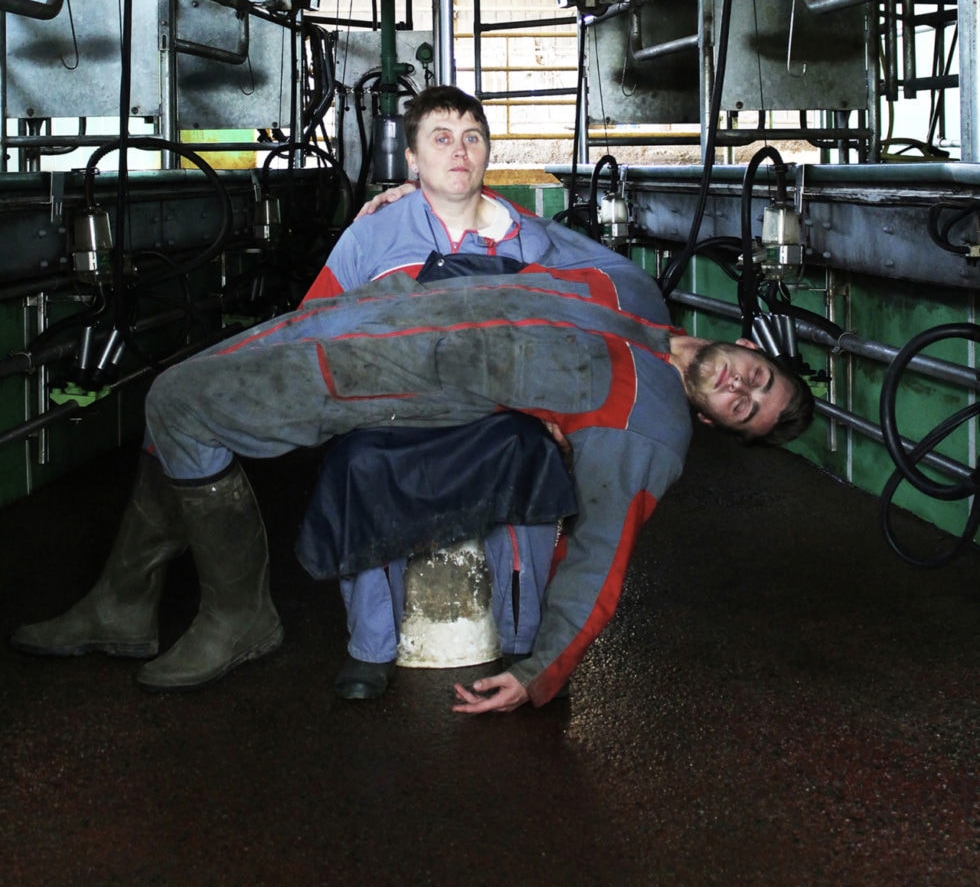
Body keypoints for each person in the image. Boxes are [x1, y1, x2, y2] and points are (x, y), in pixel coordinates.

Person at [10, 104, 814, 710]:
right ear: (751, 348)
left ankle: (237, 615)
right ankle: (121, 605)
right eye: (759, 379)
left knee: (179, 403)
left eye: (746, 409)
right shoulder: (634, 290)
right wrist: (416, 194)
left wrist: (539, 676)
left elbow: (604, 554)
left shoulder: (652, 424)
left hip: (396, 377)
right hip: (373, 318)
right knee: (171, 399)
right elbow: (521, 227)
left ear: (715, 423)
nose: (741, 388)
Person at [295, 84, 582, 701]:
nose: (460, 151)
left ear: (488, 154)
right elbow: (313, 321)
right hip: (394, 413)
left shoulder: (528, 240)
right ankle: (370, 648)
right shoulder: (372, 235)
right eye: (442, 138)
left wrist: (551, 412)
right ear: (413, 160)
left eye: (473, 138)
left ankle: (523, 637)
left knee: (534, 453)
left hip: (492, 415)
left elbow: (557, 341)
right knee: (356, 464)